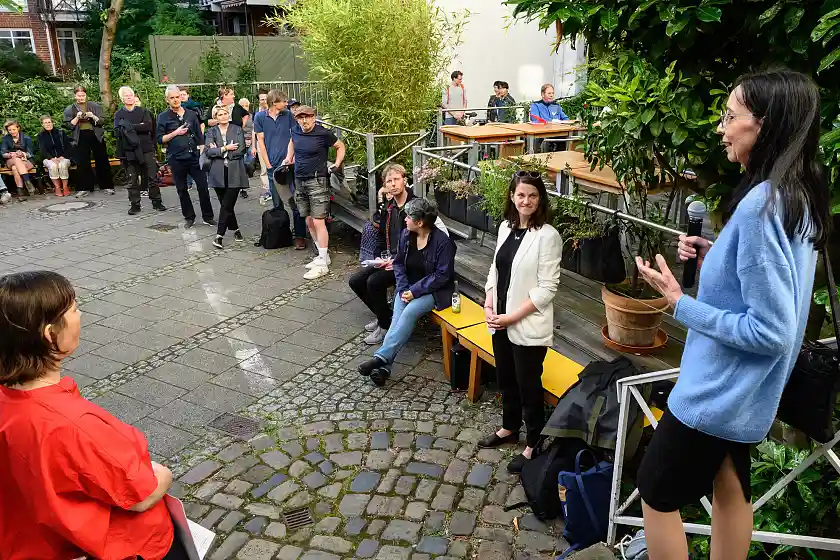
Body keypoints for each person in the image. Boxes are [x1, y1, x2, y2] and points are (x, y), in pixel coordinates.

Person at [633, 69, 831, 560]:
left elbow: (772, 330)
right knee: (730, 488)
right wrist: (712, 252)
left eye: (730, 117)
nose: (721, 129)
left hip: (715, 393)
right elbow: (762, 282)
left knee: (655, 492)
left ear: (765, 126)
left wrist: (681, 304)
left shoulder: (762, 205)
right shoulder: (795, 196)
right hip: (749, 395)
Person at [0, 270, 188, 560]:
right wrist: (165, 475)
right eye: (74, 309)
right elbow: (139, 493)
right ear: (50, 335)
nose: (81, 314)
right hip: (121, 547)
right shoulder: (71, 424)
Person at [479, 172, 562, 474]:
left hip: (524, 322)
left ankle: (534, 442)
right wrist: (489, 300)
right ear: (512, 197)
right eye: (521, 195)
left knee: (529, 385)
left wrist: (511, 317)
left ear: (540, 200)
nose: (526, 201)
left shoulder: (548, 236)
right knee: (506, 378)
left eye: (533, 196)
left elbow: (547, 288)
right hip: (499, 317)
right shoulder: (505, 228)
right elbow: (495, 269)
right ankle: (509, 427)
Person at [357, 197, 456, 386]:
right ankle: (384, 368)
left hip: (436, 291)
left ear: (419, 223)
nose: (405, 220)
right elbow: (399, 263)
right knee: (397, 313)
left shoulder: (443, 243)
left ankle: (380, 358)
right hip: (408, 287)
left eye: (409, 217)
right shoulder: (406, 235)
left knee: (410, 311)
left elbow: (442, 276)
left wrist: (415, 291)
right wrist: (403, 289)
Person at [349, 163, 449, 345]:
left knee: (374, 282)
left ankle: (386, 326)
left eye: (396, 179)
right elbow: (380, 235)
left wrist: (395, 261)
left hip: (411, 264)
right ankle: (385, 316)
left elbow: (429, 239)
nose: (393, 184)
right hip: (391, 259)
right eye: (389, 181)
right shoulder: (388, 207)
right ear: (385, 186)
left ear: (405, 181)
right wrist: (380, 257)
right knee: (355, 281)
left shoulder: (417, 206)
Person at [284, 105, 346, 279]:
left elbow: (340, 146)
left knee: (319, 220)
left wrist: (337, 164)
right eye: (300, 118)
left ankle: (322, 264)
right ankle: (322, 256)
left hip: (317, 180)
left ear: (313, 117)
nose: (304, 121)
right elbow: (291, 141)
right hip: (299, 179)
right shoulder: (295, 131)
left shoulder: (323, 133)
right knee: (309, 219)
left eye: (307, 117)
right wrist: (289, 157)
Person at [157, 84, 215, 228]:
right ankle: (189, 217)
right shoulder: (163, 117)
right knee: (182, 189)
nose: (176, 100)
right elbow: (159, 139)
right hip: (176, 159)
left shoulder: (191, 114)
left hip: (194, 156)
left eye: (178, 97)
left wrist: (202, 152)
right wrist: (175, 133)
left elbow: (199, 135)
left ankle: (208, 216)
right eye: (172, 98)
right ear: (167, 100)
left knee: (203, 187)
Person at [256, 90, 308, 249]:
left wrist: (290, 158)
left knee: (295, 201)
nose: (286, 104)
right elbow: (261, 141)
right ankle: (281, 234)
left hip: (290, 165)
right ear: (274, 102)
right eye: (283, 101)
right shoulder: (260, 117)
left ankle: (300, 236)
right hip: (273, 166)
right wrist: (268, 164)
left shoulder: (288, 116)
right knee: (277, 203)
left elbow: (294, 136)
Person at [114, 86, 166, 215]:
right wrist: (138, 127)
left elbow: (148, 127)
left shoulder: (143, 111)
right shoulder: (119, 114)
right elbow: (118, 131)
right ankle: (135, 204)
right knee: (132, 179)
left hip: (146, 148)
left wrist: (129, 127)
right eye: (126, 95)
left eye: (131, 94)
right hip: (128, 151)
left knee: (152, 176)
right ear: (122, 98)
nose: (129, 97)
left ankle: (156, 201)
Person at [205, 105, 248, 249]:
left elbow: (241, 149)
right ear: (215, 117)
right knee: (226, 204)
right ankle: (236, 230)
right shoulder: (211, 131)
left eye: (225, 113)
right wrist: (226, 148)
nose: (223, 116)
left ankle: (219, 236)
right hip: (217, 172)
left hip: (235, 171)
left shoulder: (237, 129)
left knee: (227, 204)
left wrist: (218, 151)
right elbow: (208, 152)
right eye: (220, 114)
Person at [63, 86, 114, 198]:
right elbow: (69, 126)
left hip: (95, 134)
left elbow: (102, 121)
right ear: (75, 96)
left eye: (83, 95)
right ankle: (84, 188)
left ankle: (107, 185)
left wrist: (93, 116)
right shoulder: (70, 109)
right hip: (80, 136)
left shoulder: (94, 106)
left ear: (86, 95)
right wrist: (77, 117)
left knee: (102, 159)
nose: (81, 98)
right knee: (82, 162)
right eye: (79, 96)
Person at [37, 115, 71, 197]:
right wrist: (51, 158)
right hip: (48, 158)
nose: (48, 124)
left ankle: (65, 187)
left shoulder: (60, 133)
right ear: (42, 125)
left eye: (49, 122)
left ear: (52, 123)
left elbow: (69, 147)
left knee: (62, 165)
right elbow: (42, 150)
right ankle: (57, 187)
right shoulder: (40, 136)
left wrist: (62, 156)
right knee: (53, 166)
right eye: (45, 123)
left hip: (63, 157)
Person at [1, 120, 37, 197]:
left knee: (15, 168)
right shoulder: (5, 139)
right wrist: (11, 154)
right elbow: (3, 153)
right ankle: (28, 182)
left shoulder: (26, 138)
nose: (11, 131)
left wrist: (22, 154)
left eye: (13, 129)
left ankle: (20, 191)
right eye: (9, 130)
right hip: (11, 160)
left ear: (18, 128)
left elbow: (30, 153)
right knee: (16, 159)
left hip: (26, 161)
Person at [253, 89, 271, 200]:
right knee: (264, 168)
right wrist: (253, 146)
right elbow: (254, 130)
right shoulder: (257, 112)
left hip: (272, 143)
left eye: (266, 98)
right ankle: (267, 190)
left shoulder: (274, 111)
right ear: (259, 101)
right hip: (261, 143)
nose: (264, 101)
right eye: (262, 99)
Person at [238, 97, 254, 199]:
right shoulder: (237, 117)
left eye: (246, 106)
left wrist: (251, 141)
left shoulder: (253, 117)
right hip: (241, 142)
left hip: (252, 141)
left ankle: (249, 172)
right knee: (242, 165)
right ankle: (243, 189)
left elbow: (256, 130)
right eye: (242, 106)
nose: (244, 107)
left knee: (249, 162)